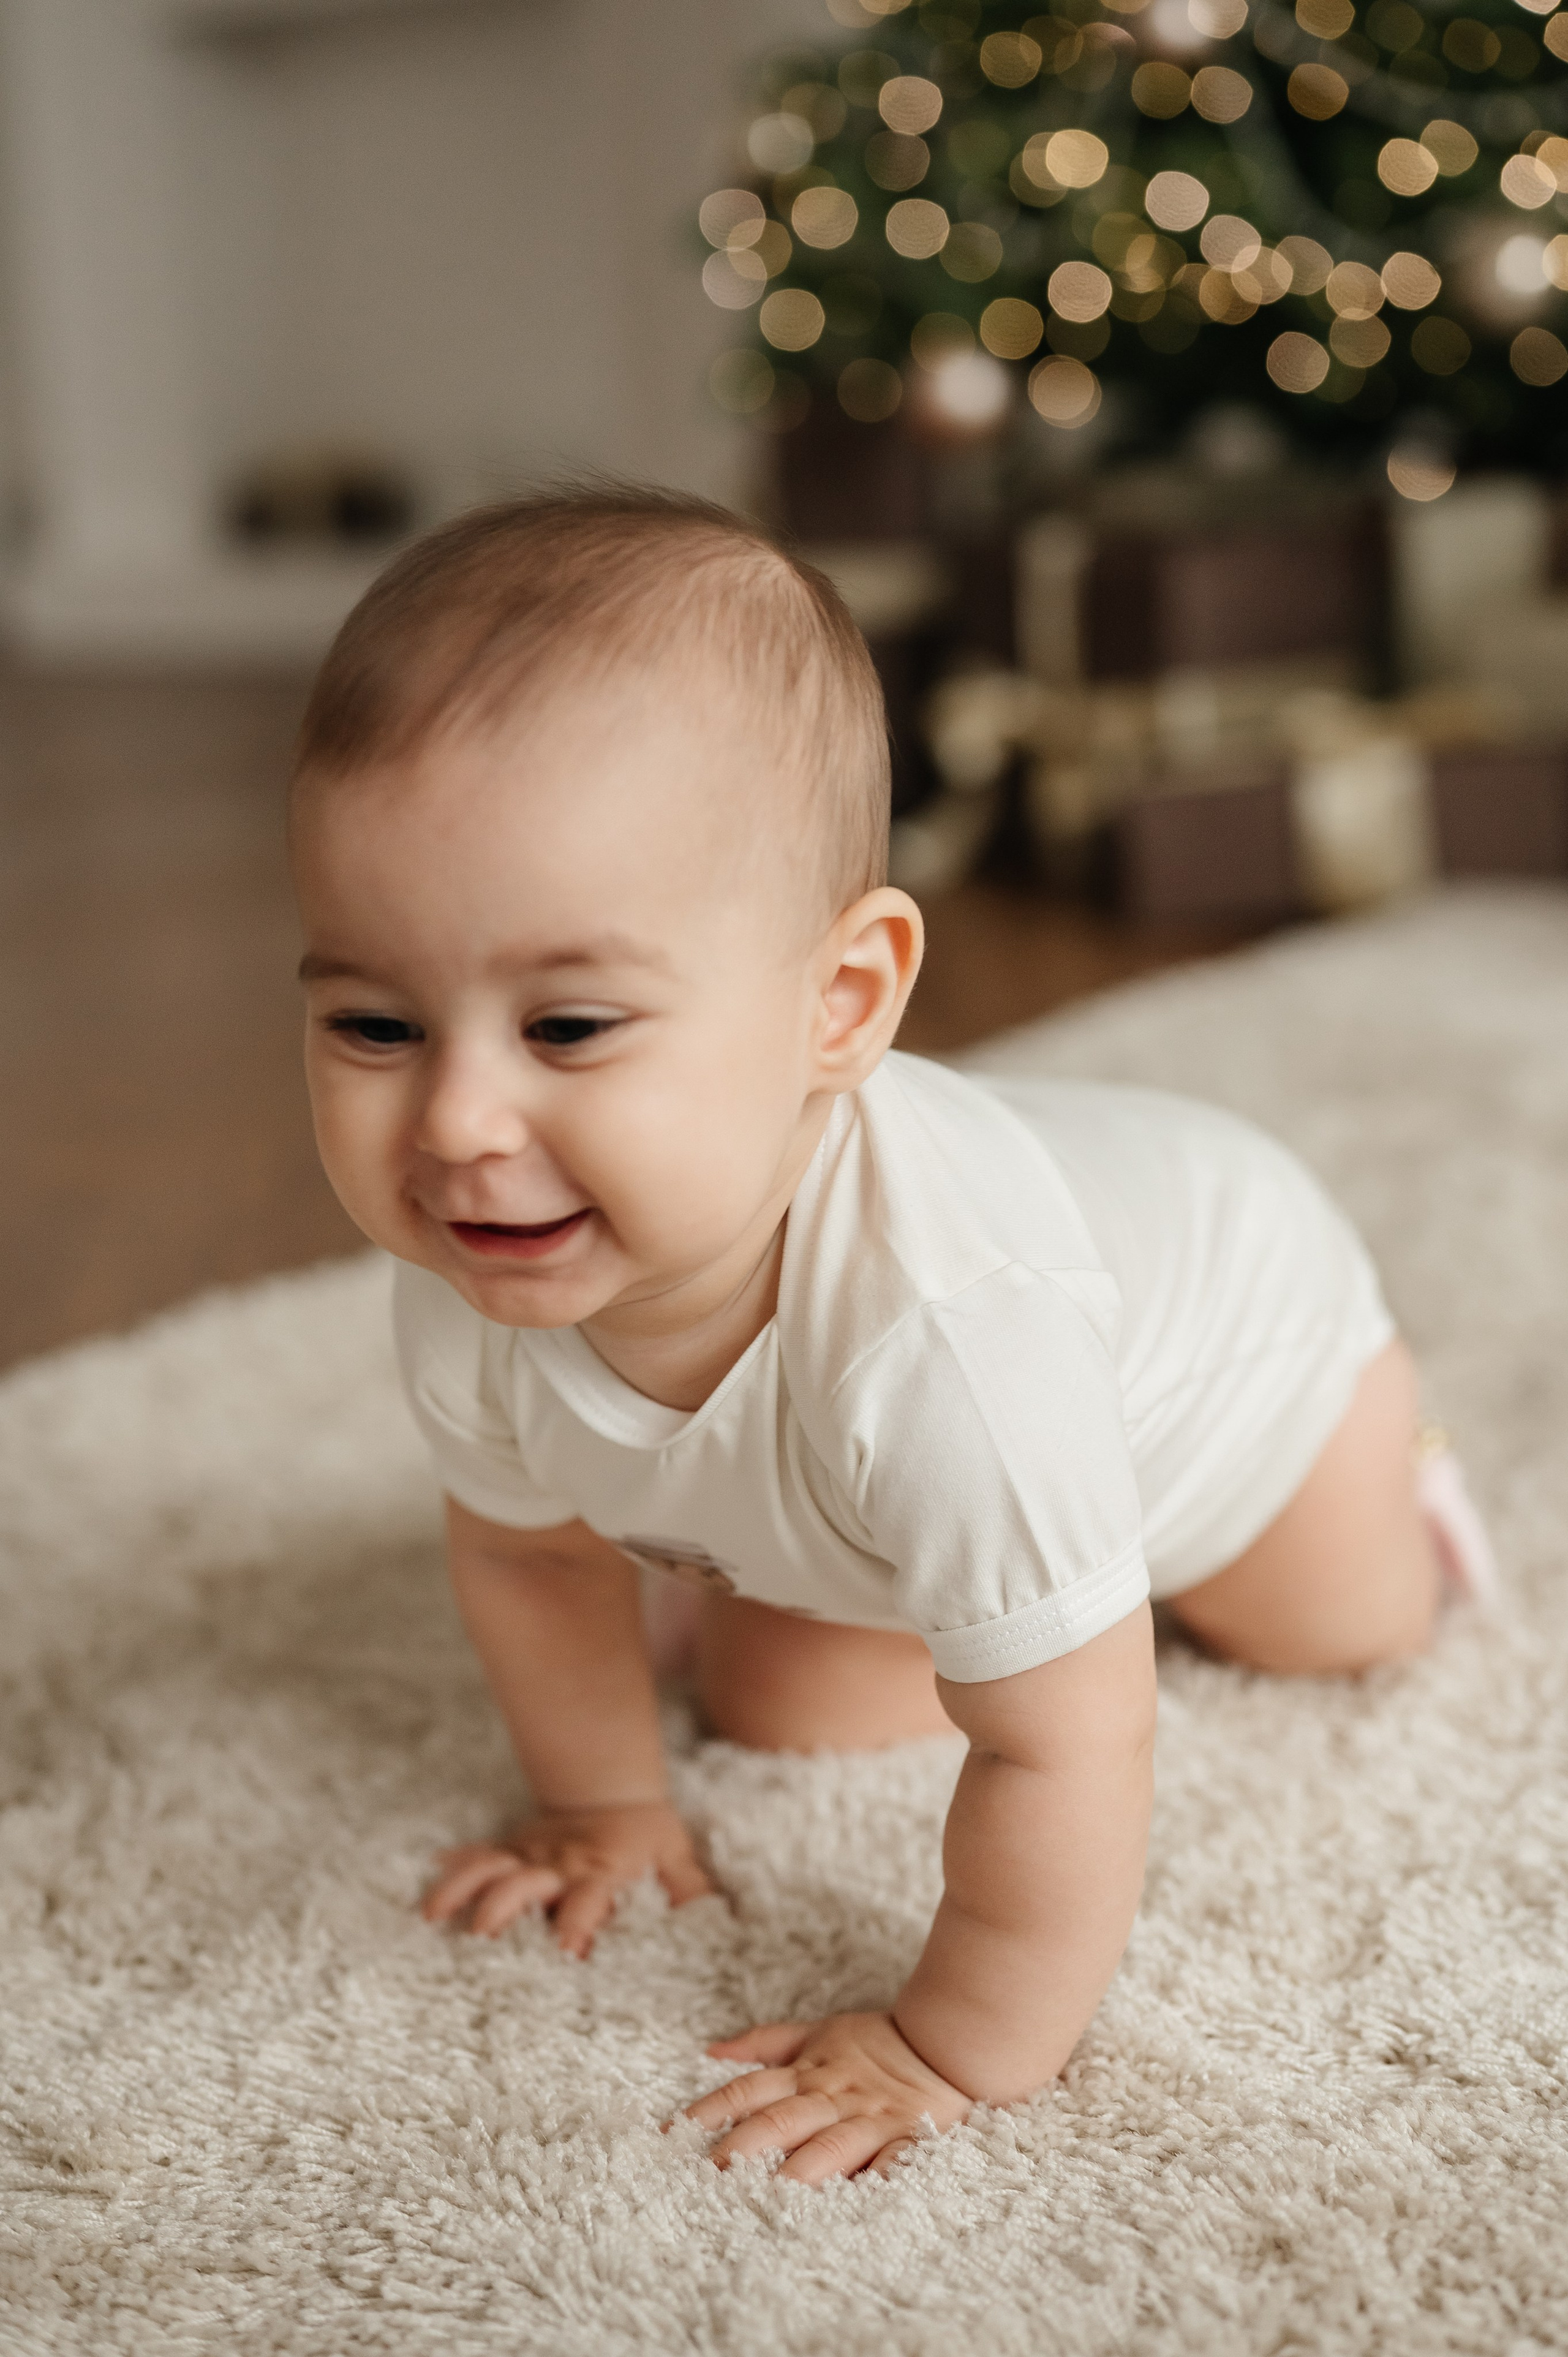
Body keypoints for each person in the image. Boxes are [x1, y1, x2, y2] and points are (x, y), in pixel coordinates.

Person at [289, 488, 1494, 2187]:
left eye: (567, 1027)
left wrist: (949, 2047)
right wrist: (605, 1806)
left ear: (841, 1005)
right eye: (375, 1025)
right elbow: (531, 1555)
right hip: (920, 1456)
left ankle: (1383, 1467)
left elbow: (1071, 1743)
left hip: (1251, 1372)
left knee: (1327, 1635)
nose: (458, 1123)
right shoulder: (481, 1258)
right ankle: (992, 1566)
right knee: (777, 1705)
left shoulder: (948, 1347)